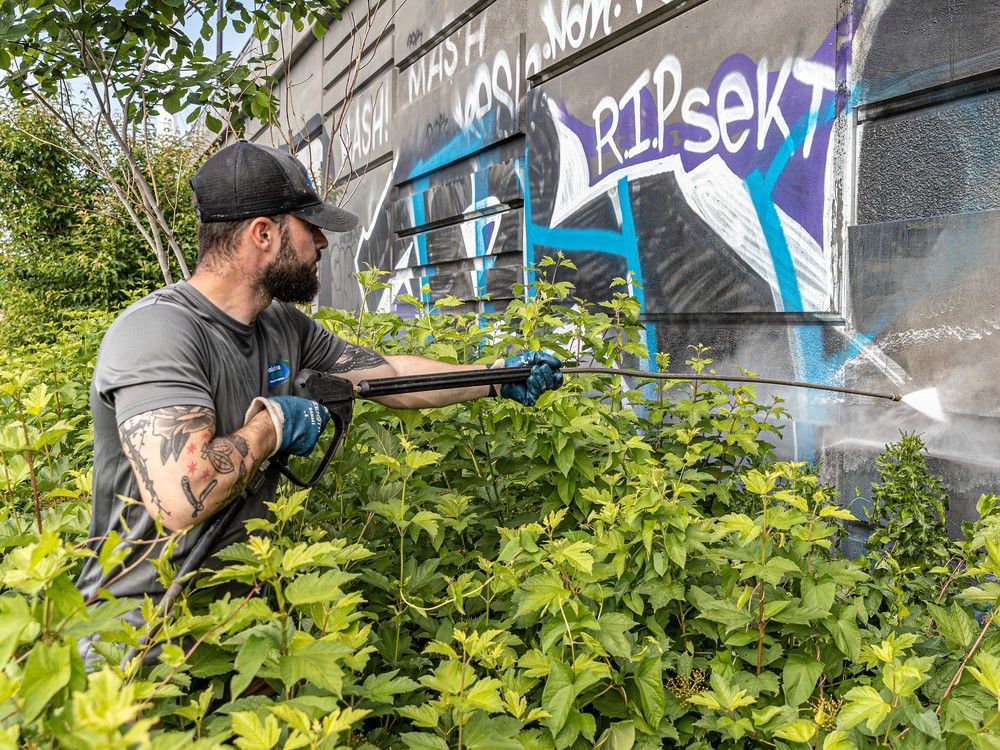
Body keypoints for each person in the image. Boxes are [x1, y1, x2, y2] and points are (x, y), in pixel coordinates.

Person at [75, 140, 562, 662]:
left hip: (243, 622)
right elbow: (179, 497)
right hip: (137, 638)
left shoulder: (283, 325)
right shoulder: (156, 333)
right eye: (310, 227)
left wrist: (496, 377)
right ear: (264, 234)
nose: (323, 242)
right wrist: (271, 426)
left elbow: (391, 375)